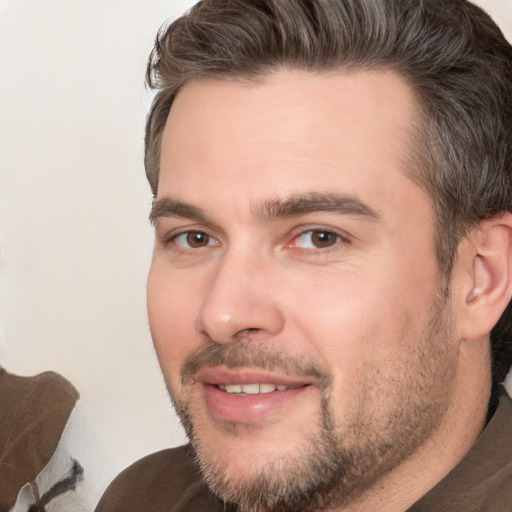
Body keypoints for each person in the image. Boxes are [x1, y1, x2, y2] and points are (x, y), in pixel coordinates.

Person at [95, 0, 512, 510]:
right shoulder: (147, 499)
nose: (223, 313)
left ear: (481, 277)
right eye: (194, 238)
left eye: (319, 238)